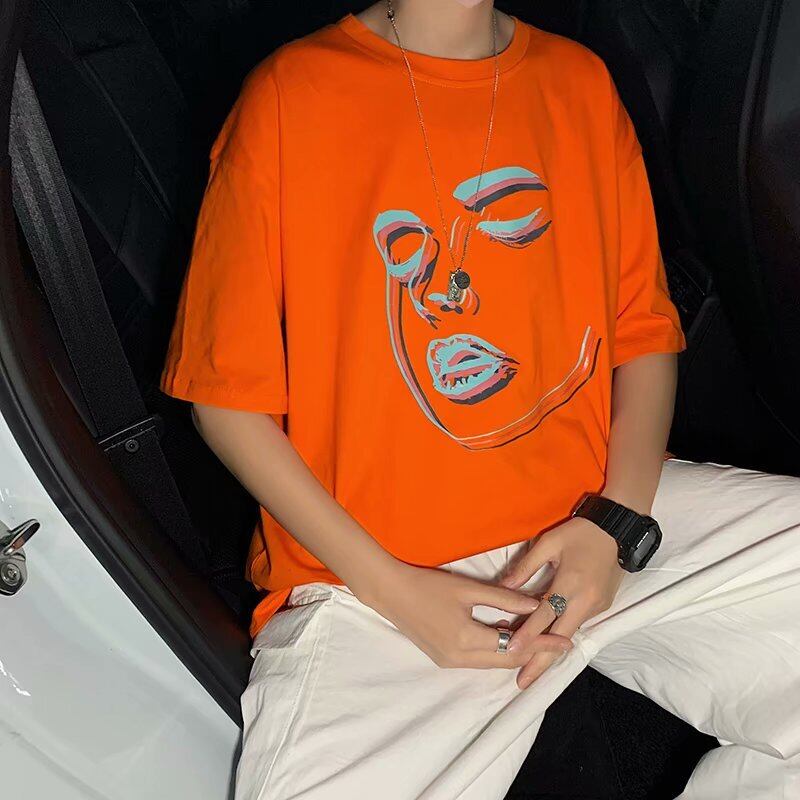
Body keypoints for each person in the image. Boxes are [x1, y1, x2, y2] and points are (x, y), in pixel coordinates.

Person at [158, 1, 800, 798]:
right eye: (408, 252)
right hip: (371, 578)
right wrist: (394, 590)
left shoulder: (578, 83)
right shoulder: (292, 94)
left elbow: (642, 333)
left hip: (595, 512)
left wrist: (616, 524)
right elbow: (225, 399)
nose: (445, 292)